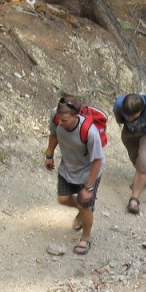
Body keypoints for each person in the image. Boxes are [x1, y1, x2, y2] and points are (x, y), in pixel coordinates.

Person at [43, 96, 104, 255]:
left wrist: (88, 187)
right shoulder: (56, 116)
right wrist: (49, 154)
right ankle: (85, 211)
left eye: (64, 120)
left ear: (76, 116)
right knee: (63, 199)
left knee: (85, 206)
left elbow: (98, 160)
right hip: (67, 167)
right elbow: (54, 134)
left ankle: (86, 237)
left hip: (88, 172)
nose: (60, 123)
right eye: (59, 119)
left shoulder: (90, 132)